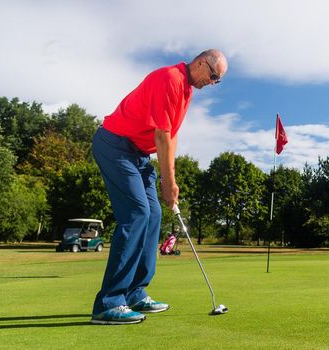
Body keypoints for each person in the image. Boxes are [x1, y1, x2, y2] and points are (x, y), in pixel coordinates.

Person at [90, 49, 228, 325]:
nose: (212, 83)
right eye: (213, 76)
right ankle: (109, 302)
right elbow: (162, 135)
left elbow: (172, 136)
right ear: (202, 63)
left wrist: (171, 179)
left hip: (138, 155)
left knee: (153, 215)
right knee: (137, 213)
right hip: (115, 145)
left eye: (217, 81)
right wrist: (167, 181)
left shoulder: (186, 91)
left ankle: (135, 292)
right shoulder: (170, 78)